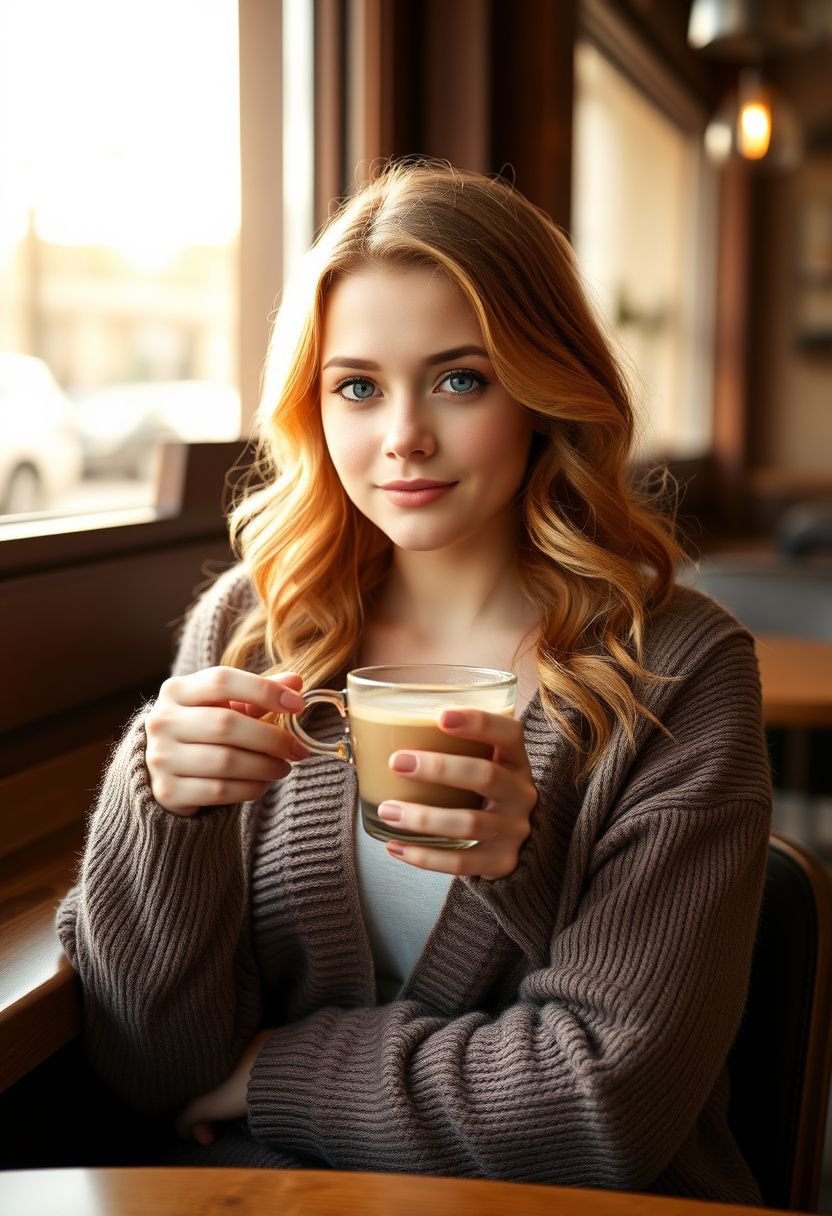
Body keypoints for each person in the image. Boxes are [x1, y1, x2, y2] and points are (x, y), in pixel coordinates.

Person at [57, 161, 772, 1200]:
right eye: (357, 386)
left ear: (542, 389)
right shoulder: (253, 630)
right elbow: (152, 1067)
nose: (402, 438)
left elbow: (598, 1112)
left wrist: (277, 1073)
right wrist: (161, 810)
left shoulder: (678, 671)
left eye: (459, 379)